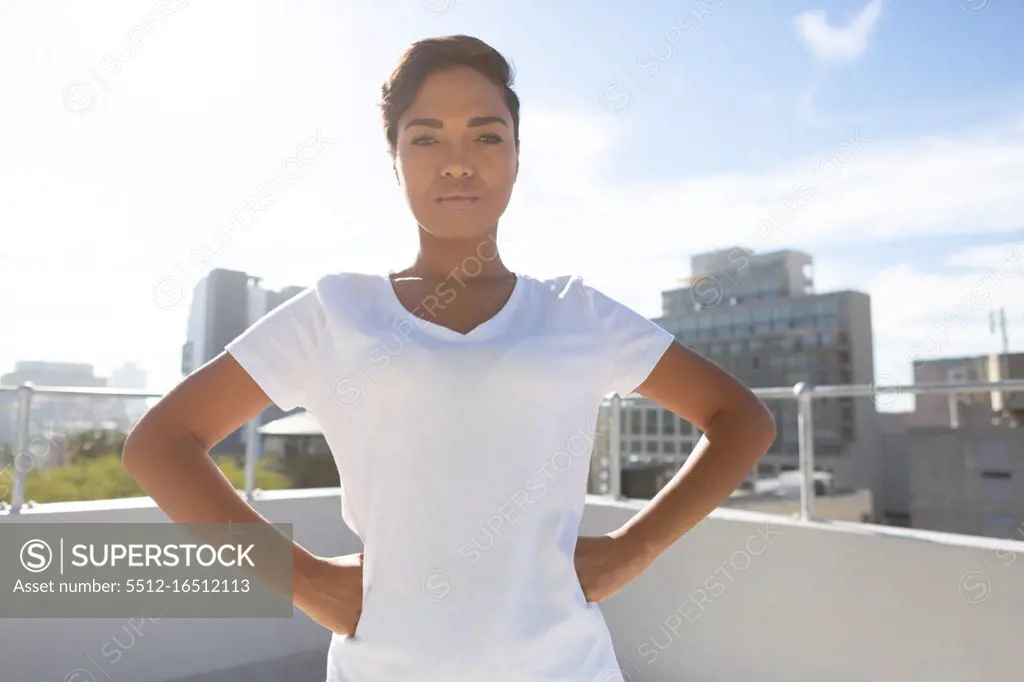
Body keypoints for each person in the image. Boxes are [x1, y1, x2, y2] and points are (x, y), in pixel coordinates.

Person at [122, 34, 776, 682]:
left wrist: (636, 547)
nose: (458, 162)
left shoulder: (578, 313)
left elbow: (741, 419)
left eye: (486, 136)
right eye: (427, 137)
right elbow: (161, 444)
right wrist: (308, 583)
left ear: (517, 157)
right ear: (395, 159)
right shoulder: (335, 311)